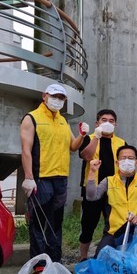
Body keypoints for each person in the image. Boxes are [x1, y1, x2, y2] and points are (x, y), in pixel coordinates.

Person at [20, 83, 86, 262]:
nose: (57, 100)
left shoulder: (62, 121)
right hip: (41, 179)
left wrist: (81, 135)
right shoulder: (31, 118)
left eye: (61, 98)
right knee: (39, 224)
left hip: (60, 179)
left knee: (56, 223)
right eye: (54, 96)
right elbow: (26, 150)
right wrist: (28, 177)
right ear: (44, 96)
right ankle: (39, 266)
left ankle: (54, 263)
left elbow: (73, 146)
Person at [85, 145, 137, 255]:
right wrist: (92, 172)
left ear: (136, 162)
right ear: (117, 163)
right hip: (113, 232)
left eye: (131, 158)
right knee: (101, 257)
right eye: (123, 158)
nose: (127, 161)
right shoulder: (108, 181)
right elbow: (91, 196)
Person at [78, 109, 126, 262]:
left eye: (111, 121)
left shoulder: (121, 143)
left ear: (115, 124)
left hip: (114, 188)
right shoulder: (89, 138)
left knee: (114, 223)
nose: (107, 123)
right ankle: (84, 257)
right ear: (97, 123)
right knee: (88, 223)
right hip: (92, 187)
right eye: (104, 120)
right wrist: (96, 137)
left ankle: (114, 256)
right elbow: (86, 156)